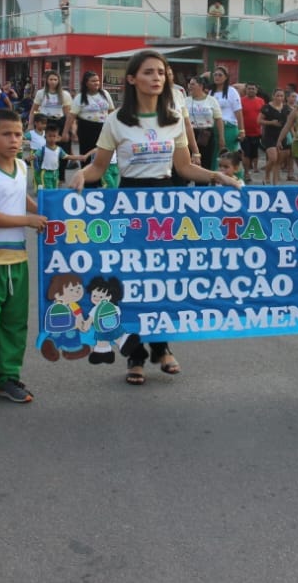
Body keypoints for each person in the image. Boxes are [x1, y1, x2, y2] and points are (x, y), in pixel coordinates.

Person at [71, 50, 242, 386]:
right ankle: (135, 355)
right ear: (132, 79)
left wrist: (217, 177)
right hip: (129, 202)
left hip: (165, 205)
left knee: (161, 279)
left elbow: (183, 167)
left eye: (161, 72)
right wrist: (80, 177)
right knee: (131, 281)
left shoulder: (174, 118)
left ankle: (162, 347)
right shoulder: (115, 120)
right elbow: (99, 167)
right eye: (149, 72)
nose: (157, 78)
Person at [0, 108, 47, 404]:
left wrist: (45, 210)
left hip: (17, 259)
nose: (14, 140)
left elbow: (20, 199)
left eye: (18, 135)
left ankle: (8, 377)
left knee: (15, 322)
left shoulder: (23, 167)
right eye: (6, 134)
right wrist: (28, 221)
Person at [69, 70, 114, 160]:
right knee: (87, 154)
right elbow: (72, 116)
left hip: (103, 126)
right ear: (86, 83)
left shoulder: (105, 94)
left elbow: (111, 111)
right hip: (86, 127)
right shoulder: (80, 97)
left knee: (103, 152)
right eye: (93, 81)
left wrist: (114, 126)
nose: (96, 83)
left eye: (97, 80)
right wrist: (71, 132)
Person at [186, 75, 224, 172]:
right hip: (189, 133)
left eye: (193, 84)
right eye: (189, 84)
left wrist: (221, 137)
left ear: (201, 86)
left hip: (206, 134)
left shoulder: (212, 100)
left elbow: (218, 119)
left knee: (205, 162)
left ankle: (202, 185)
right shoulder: (185, 101)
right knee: (188, 161)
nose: (190, 86)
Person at [210, 67, 244, 153]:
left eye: (220, 75)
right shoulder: (211, 92)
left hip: (229, 127)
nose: (217, 77)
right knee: (215, 154)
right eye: (215, 75)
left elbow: (238, 112)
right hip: (214, 128)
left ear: (226, 77)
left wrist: (241, 130)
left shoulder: (232, 92)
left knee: (229, 155)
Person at [31, 71, 72, 138]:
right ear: (47, 80)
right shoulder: (40, 93)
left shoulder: (65, 94)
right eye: (51, 79)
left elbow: (67, 114)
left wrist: (68, 129)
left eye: (55, 79)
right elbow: (33, 110)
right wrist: (31, 124)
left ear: (59, 81)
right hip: (44, 122)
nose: (53, 82)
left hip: (59, 121)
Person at [260, 89, 288, 186]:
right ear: (273, 96)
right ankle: (267, 173)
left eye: (281, 96)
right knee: (273, 158)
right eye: (277, 95)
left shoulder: (285, 108)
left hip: (281, 135)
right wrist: (271, 122)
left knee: (278, 161)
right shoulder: (267, 107)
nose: (279, 98)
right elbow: (259, 120)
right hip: (269, 135)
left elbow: (290, 121)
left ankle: (275, 183)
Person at [238, 83, 266, 181]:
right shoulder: (241, 101)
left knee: (254, 152)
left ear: (256, 90)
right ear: (246, 90)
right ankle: (246, 173)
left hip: (257, 131)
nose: (251, 90)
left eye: (253, 89)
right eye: (249, 89)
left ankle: (254, 167)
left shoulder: (261, 101)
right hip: (244, 132)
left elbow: (264, 115)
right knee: (246, 153)